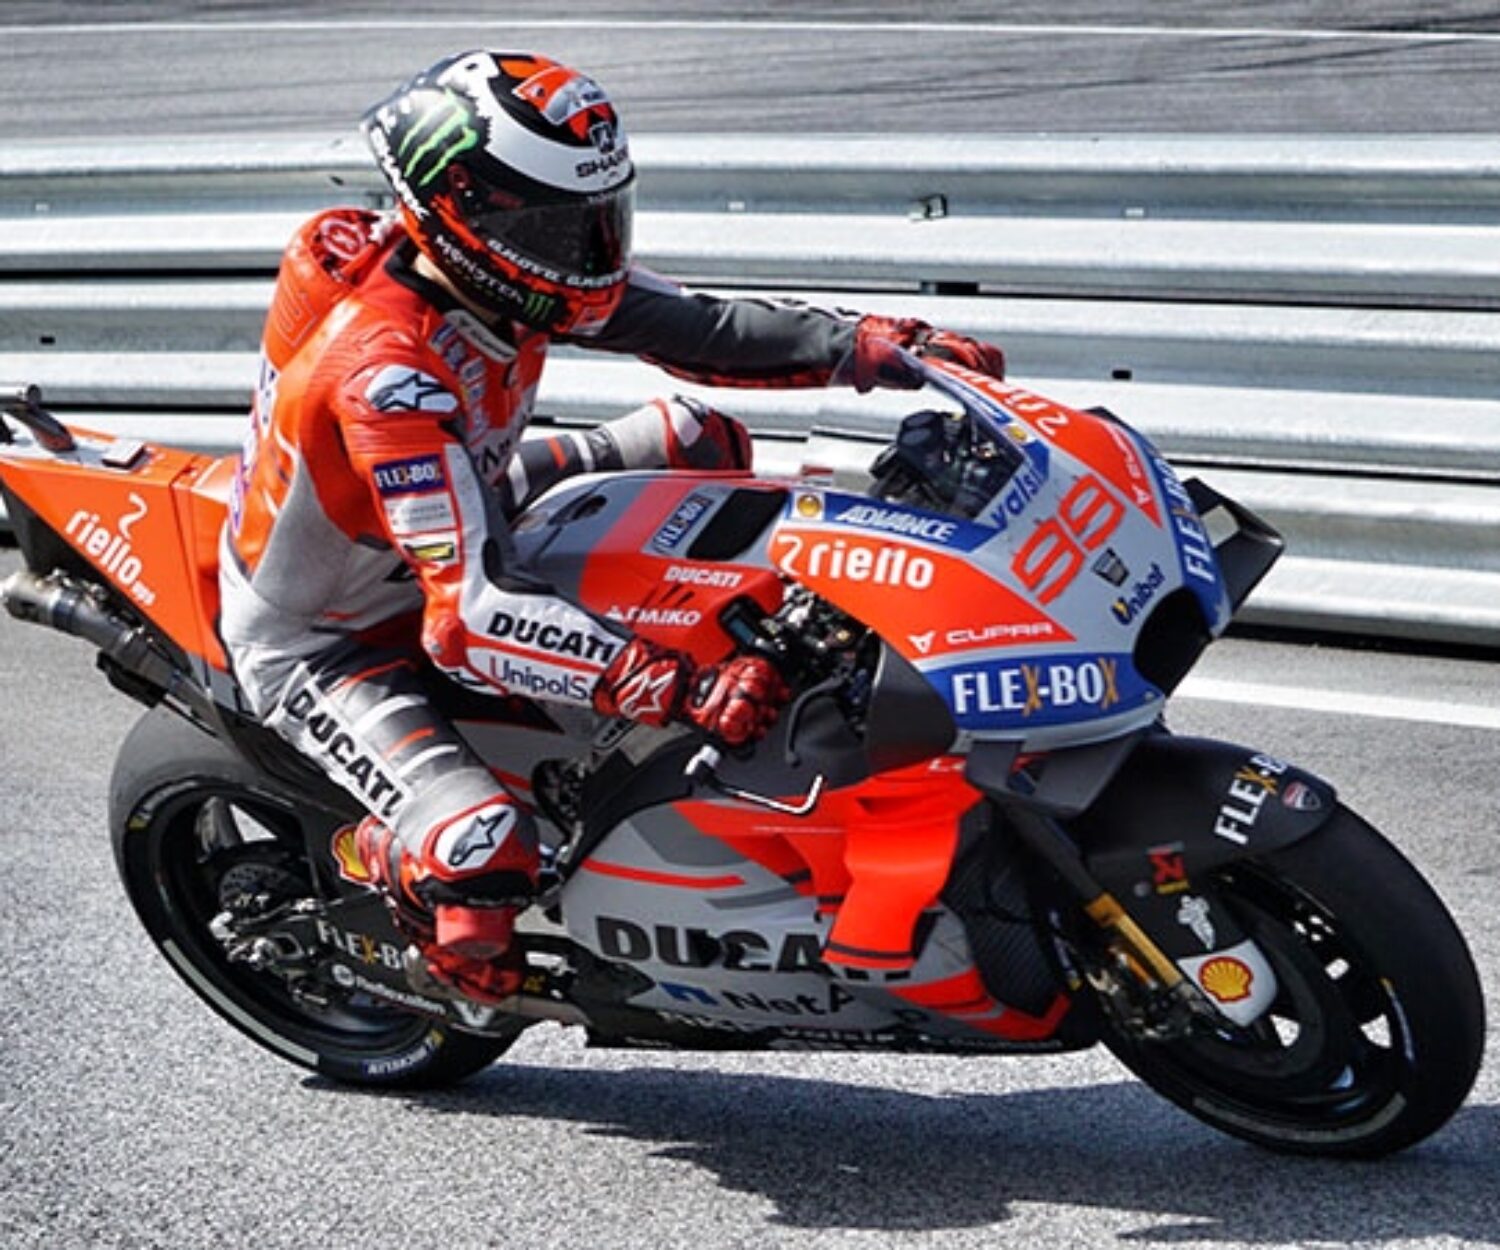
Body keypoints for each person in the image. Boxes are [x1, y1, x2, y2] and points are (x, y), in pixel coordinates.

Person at [217, 49, 1006, 1005]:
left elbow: (703, 331)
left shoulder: (501, 273)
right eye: (558, 225)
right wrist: (678, 687)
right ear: (458, 210)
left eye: (599, 218)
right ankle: (394, 870)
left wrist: (875, 349)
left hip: (478, 499)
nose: (587, 250)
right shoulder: (387, 376)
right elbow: (463, 615)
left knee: (700, 437)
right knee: (482, 857)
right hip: (332, 636)